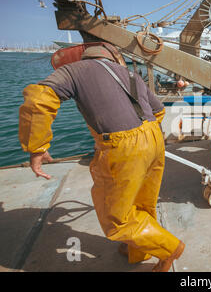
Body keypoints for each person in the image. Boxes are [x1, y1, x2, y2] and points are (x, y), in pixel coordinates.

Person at [18, 45, 184, 271]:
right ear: (114, 57)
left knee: (116, 217)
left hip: (123, 146)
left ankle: (169, 249)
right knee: (142, 202)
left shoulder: (72, 71)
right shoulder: (132, 74)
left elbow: (38, 100)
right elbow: (158, 111)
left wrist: (37, 148)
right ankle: (139, 249)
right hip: (154, 138)